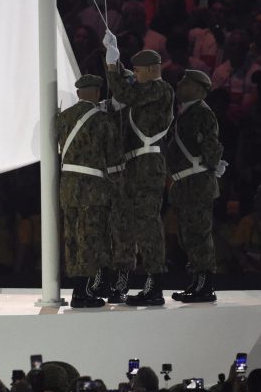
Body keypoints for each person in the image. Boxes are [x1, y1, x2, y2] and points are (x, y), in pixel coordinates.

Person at [103, 31, 174, 306]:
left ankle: (154, 283)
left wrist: (113, 66)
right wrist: (116, 61)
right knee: (123, 221)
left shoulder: (160, 88)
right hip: (131, 164)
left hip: (148, 162)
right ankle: (122, 278)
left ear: (151, 70)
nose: (135, 73)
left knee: (147, 223)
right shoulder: (144, 89)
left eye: (137, 70)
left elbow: (125, 92)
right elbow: (127, 88)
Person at [57, 74, 120, 308]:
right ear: (96, 93)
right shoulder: (102, 120)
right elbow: (114, 159)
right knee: (91, 238)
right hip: (93, 189)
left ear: (78, 93)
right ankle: (82, 292)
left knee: (73, 238)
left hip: (68, 187)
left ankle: (87, 285)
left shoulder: (62, 118)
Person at [167, 70, 226, 302]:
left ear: (199, 89)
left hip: (197, 182)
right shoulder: (188, 113)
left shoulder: (202, 113)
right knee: (187, 234)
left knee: (199, 233)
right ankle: (196, 280)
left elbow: (211, 146)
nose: (179, 84)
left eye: (185, 82)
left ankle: (205, 284)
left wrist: (212, 165)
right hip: (186, 183)